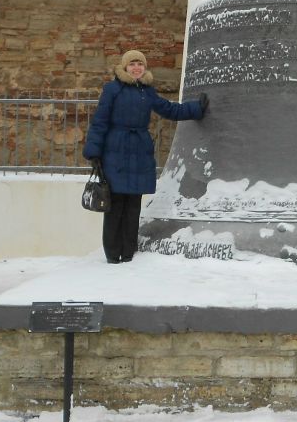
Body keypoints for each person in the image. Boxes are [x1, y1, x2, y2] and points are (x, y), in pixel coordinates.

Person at [83, 50, 207, 263]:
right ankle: (113, 255)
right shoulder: (112, 89)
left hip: (140, 151)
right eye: (132, 64)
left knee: (133, 206)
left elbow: (169, 110)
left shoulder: (146, 92)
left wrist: (196, 108)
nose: (136, 68)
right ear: (125, 67)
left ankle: (128, 254)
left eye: (140, 64)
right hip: (117, 150)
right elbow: (100, 121)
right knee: (115, 207)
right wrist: (94, 152)